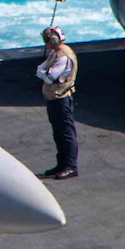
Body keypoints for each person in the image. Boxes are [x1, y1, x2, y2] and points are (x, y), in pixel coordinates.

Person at [36, 26, 78, 179]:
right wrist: (43, 72)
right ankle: (61, 164)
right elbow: (40, 70)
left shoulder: (63, 57)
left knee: (66, 134)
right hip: (53, 98)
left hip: (61, 99)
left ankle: (71, 166)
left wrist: (43, 73)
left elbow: (48, 77)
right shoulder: (55, 54)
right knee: (58, 133)